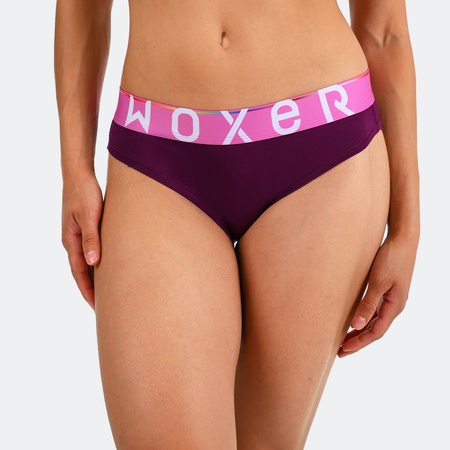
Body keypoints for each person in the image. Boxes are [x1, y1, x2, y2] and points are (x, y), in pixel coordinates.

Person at [54, 0, 420, 448]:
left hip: (321, 147)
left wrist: (407, 228)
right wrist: (75, 169)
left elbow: (384, 30)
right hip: (157, 153)